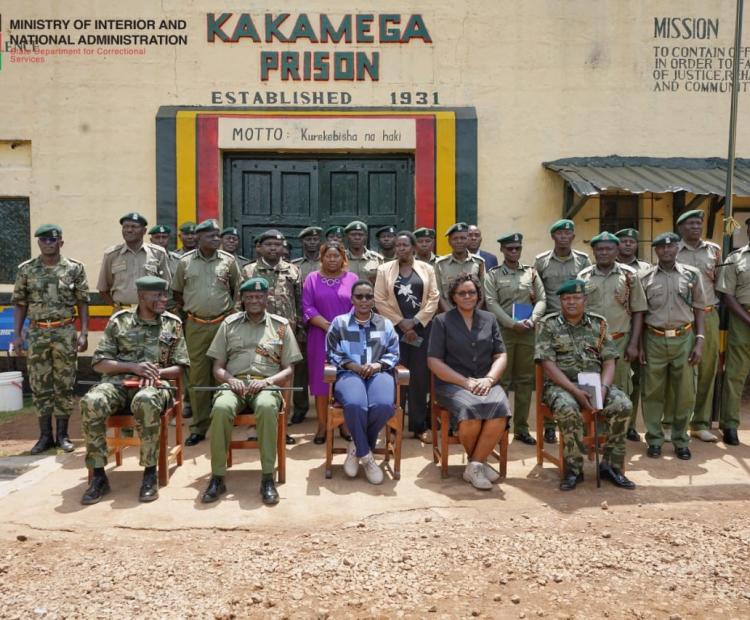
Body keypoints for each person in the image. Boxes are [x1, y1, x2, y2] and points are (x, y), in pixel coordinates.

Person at [79, 276, 189, 504]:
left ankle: (150, 473)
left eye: (164, 294)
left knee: (146, 400)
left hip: (155, 386)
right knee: (92, 401)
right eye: (157, 295)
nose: (164, 299)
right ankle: (98, 475)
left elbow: (180, 367)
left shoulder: (172, 323)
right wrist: (133, 368)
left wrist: (156, 374)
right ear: (141, 296)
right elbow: (99, 362)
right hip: (119, 384)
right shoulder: (120, 321)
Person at [202, 277, 303, 505]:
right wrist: (229, 380)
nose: (254, 301)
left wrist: (267, 382)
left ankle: (267, 477)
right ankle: (217, 477)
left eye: (259, 297)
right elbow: (217, 367)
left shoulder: (280, 326)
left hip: (265, 384)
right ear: (242, 300)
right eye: (249, 298)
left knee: (267, 407)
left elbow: (288, 369)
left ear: (267, 299)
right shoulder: (229, 324)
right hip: (234, 383)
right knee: (220, 408)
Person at [534, 279, 635, 491]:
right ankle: (573, 470)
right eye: (566, 298)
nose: (571, 302)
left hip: (595, 383)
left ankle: (611, 465)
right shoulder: (548, 324)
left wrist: (603, 389)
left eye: (576, 298)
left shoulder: (599, 324)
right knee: (568, 409)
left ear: (585, 300)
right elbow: (547, 364)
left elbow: (609, 360)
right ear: (560, 301)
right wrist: (575, 391)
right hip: (561, 386)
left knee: (623, 405)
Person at [427, 273, 511, 490]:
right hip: (452, 384)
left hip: (486, 381)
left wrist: (490, 379)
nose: (467, 296)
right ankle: (479, 464)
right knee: (471, 408)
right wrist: (465, 382)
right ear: (453, 297)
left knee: (500, 407)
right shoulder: (442, 321)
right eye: (461, 293)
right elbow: (433, 361)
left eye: (471, 292)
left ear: (478, 295)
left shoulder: (489, 319)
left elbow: (501, 355)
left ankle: (474, 465)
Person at [12, 224, 89, 454]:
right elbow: (20, 303)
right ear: (38, 243)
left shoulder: (74, 268)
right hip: (36, 333)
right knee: (39, 384)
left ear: (60, 242)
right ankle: (45, 436)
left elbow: (83, 301)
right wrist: (17, 335)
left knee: (65, 383)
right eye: (43, 240)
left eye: (52, 240)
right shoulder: (27, 270)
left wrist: (84, 332)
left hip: (64, 331)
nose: (48, 243)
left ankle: (63, 435)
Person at [172, 219, 243, 447]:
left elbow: (236, 291)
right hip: (195, 325)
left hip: (224, 324)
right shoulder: (184, 263)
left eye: (217, 235)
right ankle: (199, 426)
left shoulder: (229, 261)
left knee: (226, 372)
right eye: (211, 236)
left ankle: (224, 420)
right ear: (199, 237)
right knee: (198, 376)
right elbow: (177, 293)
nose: (216, 239)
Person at [639, 232, 707, 460]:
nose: (666, 251)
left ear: (677, 248)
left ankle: (680, 440)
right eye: (661, 247)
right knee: (652, 392)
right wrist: (639, 345)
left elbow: (699, 308)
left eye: (671, 247)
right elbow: (638, 313)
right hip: (653, 338)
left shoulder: (692, 275)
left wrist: (700, 340)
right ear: (655, 250)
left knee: (685, 393)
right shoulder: (644, 276)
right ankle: (655, 439)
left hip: (684, 338)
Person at [327, 280, 401, 484]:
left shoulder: (384, 323)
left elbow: (394, 352)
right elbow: (332, 351)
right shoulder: (339, 322)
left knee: (384, 405)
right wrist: (353, 366)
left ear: (373, 300)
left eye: (368, 296)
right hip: (349, 373)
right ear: (352, 299)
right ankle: (367, 457)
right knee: (355, 404)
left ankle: (357, 447)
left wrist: (378, 365)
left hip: (379, 373)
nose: (364, 300)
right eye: (359, 296)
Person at [577, 231, 647, 442]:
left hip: (620, 340)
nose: (604, 252)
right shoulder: (583, 277)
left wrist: (634, 343)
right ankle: (595, 435)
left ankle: (617, 437)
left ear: (616, 251)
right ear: (594, 251)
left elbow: (638, 310)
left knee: (620, 388)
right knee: (591, 389)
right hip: (590, 343)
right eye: (600, 249)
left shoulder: (628, 275)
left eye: (609, 249)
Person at [374, 231, 440, 441]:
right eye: (398, 245)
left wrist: (417, 321)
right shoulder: (384, 270)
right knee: (395, 377)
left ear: (413, 247)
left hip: (422, 329)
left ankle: (418, 426)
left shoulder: (427, 269)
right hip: (394, 331)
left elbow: (433, 298)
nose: (400, 248)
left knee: (419, 378)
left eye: (404, 245)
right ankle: (394, 426)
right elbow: (380, 300)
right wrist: (401, 323)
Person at [483, 232, 546, 445]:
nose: (513, 252)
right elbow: (491, 302)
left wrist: (533, 320)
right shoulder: (493, 274)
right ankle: (501, 425)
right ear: (502, 250)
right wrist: (511, 323)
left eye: (517, 248)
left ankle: (521, 427)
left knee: (525, 381)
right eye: (509, 248)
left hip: (528, 332)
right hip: (503, 332)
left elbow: (542, 299)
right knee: (503, 380)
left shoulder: (531, 273)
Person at [242, 229, 301, 445]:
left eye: (278, 245)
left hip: (284, 333)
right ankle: (256, 424)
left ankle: (282, 428)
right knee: (256, 373)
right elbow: (239, 303)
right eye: (269, 245)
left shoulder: (293, 271)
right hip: (256, 331)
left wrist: (299, 330)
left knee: (285, 378)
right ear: (259, 247)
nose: (274, 248)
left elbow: (299, 301)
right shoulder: (249, 271)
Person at [302, 242, 359, 443]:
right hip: (319, 336)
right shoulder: (311, 279)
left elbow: (358, 304)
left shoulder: (352, 279)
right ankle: (322, 427)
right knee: (320, 383)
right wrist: (329, 326)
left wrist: (341, 327)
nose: (332, 260)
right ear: (322, 258)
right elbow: (307, 307)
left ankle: (343, 425)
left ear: (343, 258)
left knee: (346, 380)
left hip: (347, 337)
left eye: (336, 256)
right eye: (328, 256)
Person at [673, 209, 721, 442]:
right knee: (680, 371)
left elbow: (719, 282)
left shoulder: (714, 250)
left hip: (709, 314)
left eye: (698, 223)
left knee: (706, 369)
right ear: (680, 228)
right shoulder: (673, 249)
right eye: (690, 223)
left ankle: (700, 423)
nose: (695, 227)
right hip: (682, 317)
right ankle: (675, 423)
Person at [614, 228, 651, 442]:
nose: (628, 244)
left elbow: (645, 305)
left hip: (641, 329)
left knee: (635, 379)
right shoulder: (611, 267)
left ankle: (630, 425)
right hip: (619, 331)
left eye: (631, 241)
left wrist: (639, 341)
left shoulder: (645, 269)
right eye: (624, 241)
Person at [716, 220, 750, 446]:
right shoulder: (735, 259)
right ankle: (729, 424)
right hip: (743, 319)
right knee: (736, 374)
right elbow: (727, 295)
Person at [97, 212, 171, 310]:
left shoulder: (158, 253)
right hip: (122, 313)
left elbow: (166, 286)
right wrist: (117, 307)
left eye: (134, 227)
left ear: (144, 231)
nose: (129, 230)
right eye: (125, 227)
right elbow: (103, 289)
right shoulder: (111, 255)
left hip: (151, 312)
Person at [290, 226, 322, 424]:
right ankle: (300, 407)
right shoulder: (294, 266)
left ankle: (331, 406)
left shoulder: (328, 262)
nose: (312, 242)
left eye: (315, 239)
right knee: (300, 367)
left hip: (323, 322)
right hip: (302, 323)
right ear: (302, 243)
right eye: (307, 239)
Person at [534, 219, 591, 315]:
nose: (563, 237)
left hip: (577, 317)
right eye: (559, 233)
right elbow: (536, 291)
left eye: (568, 233)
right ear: (552, 236)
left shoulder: (583, 261)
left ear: (573, 237)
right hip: (550, 316)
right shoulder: (541, 261)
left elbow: (588, 290)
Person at [434, 222, 485, 312]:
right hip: (448, 317)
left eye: (463, 238)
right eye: (455, 238)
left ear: (468, 240)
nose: (459, 241)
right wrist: (452, 317)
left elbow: (483, 293)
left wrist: (474, 314)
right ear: (449, 242)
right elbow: (438, 294)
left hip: (473, 316)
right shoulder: (440, 264)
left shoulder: (479, 262)